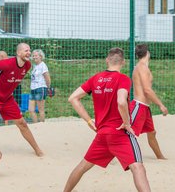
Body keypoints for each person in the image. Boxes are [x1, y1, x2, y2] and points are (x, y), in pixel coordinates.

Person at [64, 48, 151, 192]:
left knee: (83, 166)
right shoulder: (122, 78)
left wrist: (89, 121)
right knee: (138, 167)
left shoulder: (96, 78)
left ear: (107, 60)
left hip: (102, 133)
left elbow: (73, 98)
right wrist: (127, 123)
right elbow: (121, 102)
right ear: (123, 62)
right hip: (119, 132)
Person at [131, 44, 168, 160]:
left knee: (152, 133)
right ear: (147, 53)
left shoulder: (142, 67)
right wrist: (161, 105)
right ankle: (108, 155)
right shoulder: (142, 67)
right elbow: (147, 90)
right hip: (139, 105)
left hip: (145, 107)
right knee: (126, 133)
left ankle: (160, 157)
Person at [29, 49, 51, 123]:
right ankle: (36, 125)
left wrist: (48, 88)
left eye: (36, 55)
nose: (34, 57)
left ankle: (42, 125)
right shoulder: (35, 66)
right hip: (33, 89)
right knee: (31, 109)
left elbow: (47, 78)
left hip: (40, 88)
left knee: (40, 109)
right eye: (33, 56)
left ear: (41, 56)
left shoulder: (43, 65)